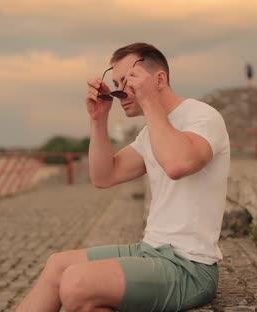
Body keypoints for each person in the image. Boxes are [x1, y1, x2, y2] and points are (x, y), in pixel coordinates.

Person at [17, 42, 230, 312]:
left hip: (188, 266)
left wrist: (150, 100)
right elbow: (104, 176)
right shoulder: (150, 132)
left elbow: (177, 164)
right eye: (116, 83)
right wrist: (98, 120)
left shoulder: (202, 117)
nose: (118, 92)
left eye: (128, 81)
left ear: (159, 79)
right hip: (151, 251)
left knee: (76, 282)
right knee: (58, 265)